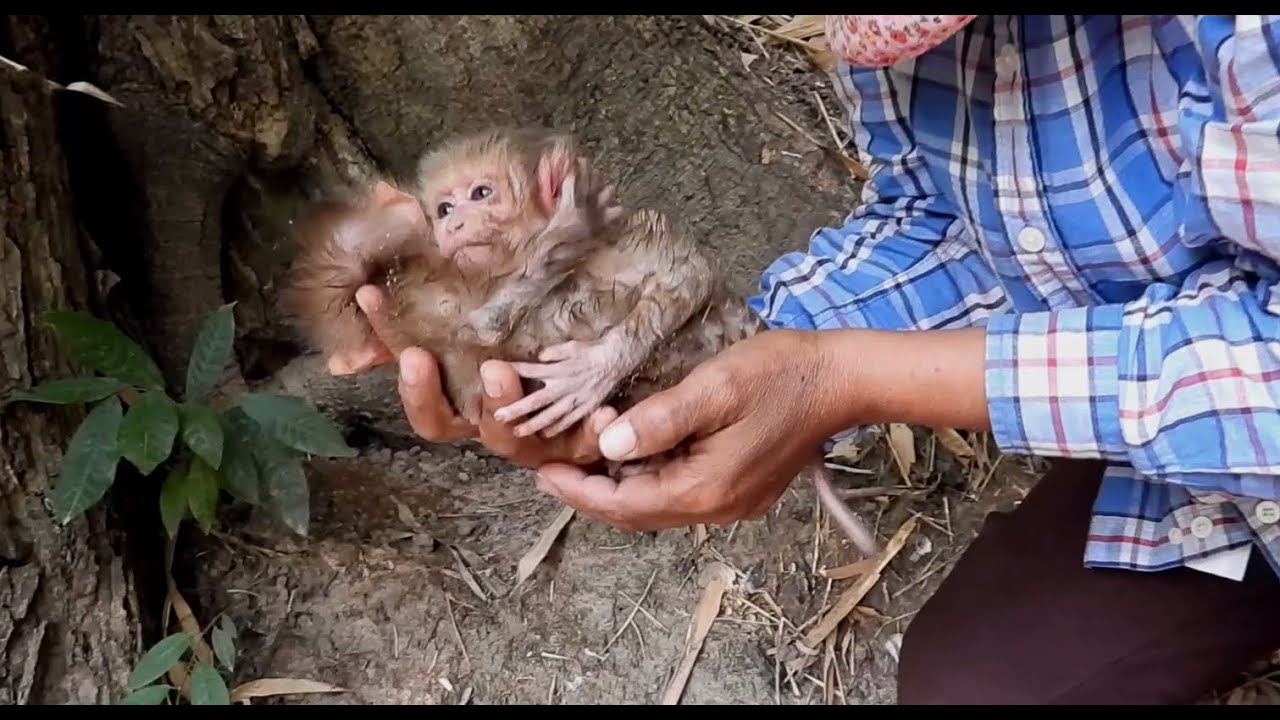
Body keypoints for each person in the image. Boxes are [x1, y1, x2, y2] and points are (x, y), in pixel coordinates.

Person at [327, 15, 1280, 704]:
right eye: (445, 212)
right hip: (1199, 467)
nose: (460, 225)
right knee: (971, 683)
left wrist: (843, 377)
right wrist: (752, 360)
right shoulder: (893, 30)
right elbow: (941, 219)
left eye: (478, 199)